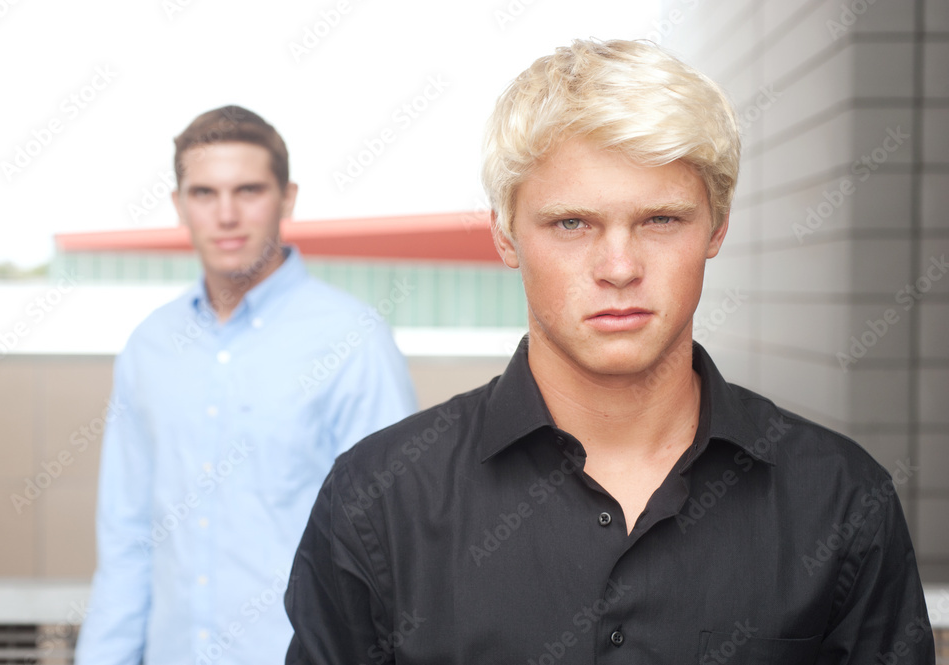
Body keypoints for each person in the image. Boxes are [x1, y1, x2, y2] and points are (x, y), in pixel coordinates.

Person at [283, 41, 935, 663]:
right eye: (572, 223)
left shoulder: (842, 501)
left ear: (718, 226)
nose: (619, 266)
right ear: (506, 236)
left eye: (660, 220)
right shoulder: (377, 500)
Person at [75, 105, 417, 665]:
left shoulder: (353, 341)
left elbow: (396, 550)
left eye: (249, 190)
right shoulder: (150, 346)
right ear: (179, 205)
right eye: (204, 193)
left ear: (288, 197)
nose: (226, 214)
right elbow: (127, 540)